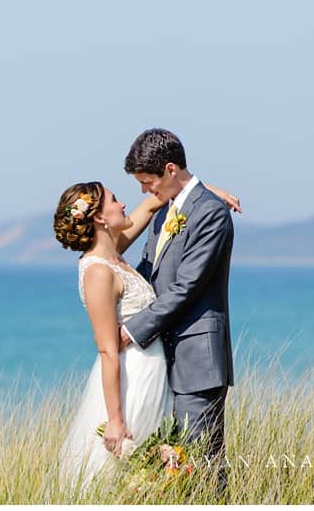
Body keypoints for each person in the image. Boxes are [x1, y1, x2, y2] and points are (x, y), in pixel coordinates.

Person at [54, 177, 239, 492]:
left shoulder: (114, 253)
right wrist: (114, 419)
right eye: (114, 200)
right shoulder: (98, 271)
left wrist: (207, 194)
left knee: (159, 475)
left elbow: (156, 201)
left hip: (155, 373)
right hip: (133, 380)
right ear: (99, 217)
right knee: (129, 475)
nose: (123, 203)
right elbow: (107, 351)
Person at [119, 128, 237, 496]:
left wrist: (132, 330)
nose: (144, 192)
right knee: (172, 473)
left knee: (200, 469)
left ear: (170, 170)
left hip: (198, 364)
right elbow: (148, 273)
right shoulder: (164, 213)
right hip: (162, 362)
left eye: (147, 182)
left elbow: (187, 287)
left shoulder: (211, 215)